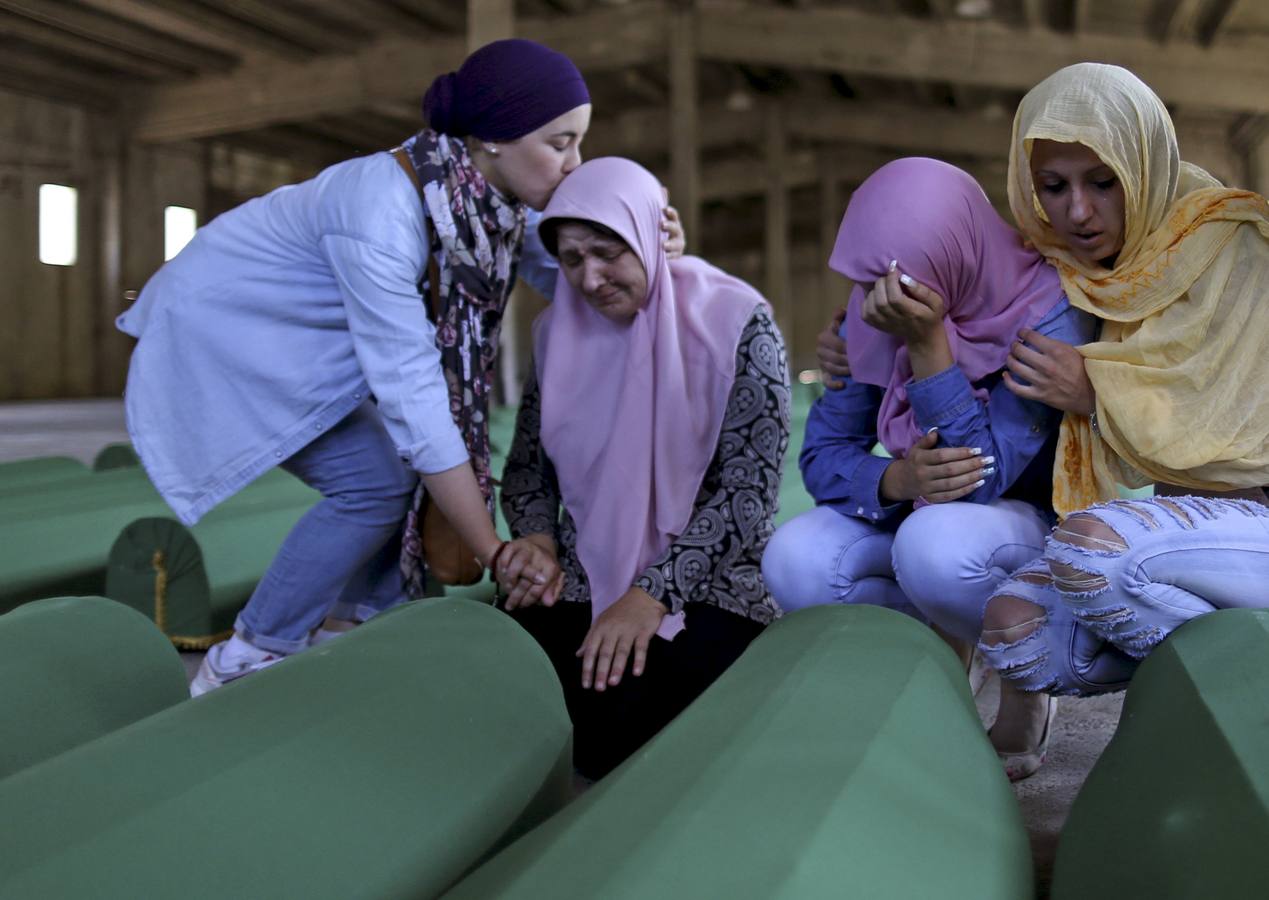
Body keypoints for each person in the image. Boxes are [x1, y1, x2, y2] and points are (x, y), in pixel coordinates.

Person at [119, 39, 682, 695]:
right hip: (222, 333)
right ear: (494, 138)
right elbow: (415, 401)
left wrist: (653, 247)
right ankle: (244, 656)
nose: (573, 164)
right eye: (560, 143)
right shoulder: (381, 211)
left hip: (299, 340)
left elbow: (574, 277)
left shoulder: (489, 204)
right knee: (378, 482)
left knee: (391, 478)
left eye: (579, 143)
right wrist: (491, 548)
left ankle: (350, 631)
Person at [969, 62, 1269, 773]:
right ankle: (1032, 726)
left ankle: (1225, 706)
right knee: (1010, 625)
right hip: (1192, 539)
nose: (1077, 212)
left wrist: (1096, 392)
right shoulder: (1098, 271)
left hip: (1257, 517)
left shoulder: (1233, 243)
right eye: (1054, 187)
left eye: (1101, 182)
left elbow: (1237, 423)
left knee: (1089, 549)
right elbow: (973, 306)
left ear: (1144, 161)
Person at [761, 157, 1096, 779]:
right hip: (925, 501)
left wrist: (927, 343)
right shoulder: (875, 307)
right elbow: (823, 456)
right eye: (869, 281)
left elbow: (980, 476)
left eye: (900, 283)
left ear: (952, 252)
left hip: (1025, 524)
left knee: (934, 544)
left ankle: (1026, 673)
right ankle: (938, 668)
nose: (879, 302)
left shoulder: (1047, 311)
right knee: (795, 556)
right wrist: (895, 480)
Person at [497, 157, 789, 780]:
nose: (590, 278)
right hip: (580, 570)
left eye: (607, 252)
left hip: (708, 579)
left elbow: (748, 494)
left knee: (619, 721)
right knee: (500, 678)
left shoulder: (735, 323)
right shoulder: (556, 335)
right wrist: (537, 538)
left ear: (648, 235)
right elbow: (525, 469)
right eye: (571, 260)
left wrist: (651, 594)